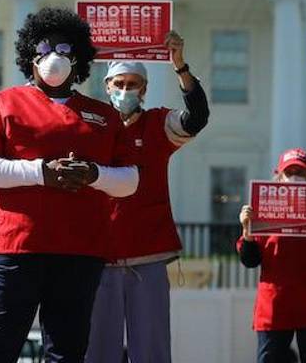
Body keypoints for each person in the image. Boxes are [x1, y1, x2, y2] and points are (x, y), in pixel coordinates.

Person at [0, 6, 138, 362]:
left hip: (80, 251)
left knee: (67, 353)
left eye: (63, 49)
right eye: (43, 49)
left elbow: (130, 180)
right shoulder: (5, 102)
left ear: (79, 59)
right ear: (30, 57)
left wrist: (93, 174)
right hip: (16, 247)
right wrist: (42, 172)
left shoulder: (103, 115)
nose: (53, 57)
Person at [85, 31, 209, 363]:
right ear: (107, 86)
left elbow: (197, 119)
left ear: (144, 89)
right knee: (96, 350)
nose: (126, 90)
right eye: (119, 83)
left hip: (149, 257)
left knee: (152, 349)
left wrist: (180, 67)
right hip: (98, 258)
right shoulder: (92, 125)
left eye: (133, 84)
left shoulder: (158, 123)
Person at [237, 149, 306, 363]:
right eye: (289, 171)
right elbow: (250, 260)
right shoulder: (264, 209)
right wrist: (247, 231)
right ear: (278, 176)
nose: (295, 175)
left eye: (300, 171)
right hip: (275, 306)